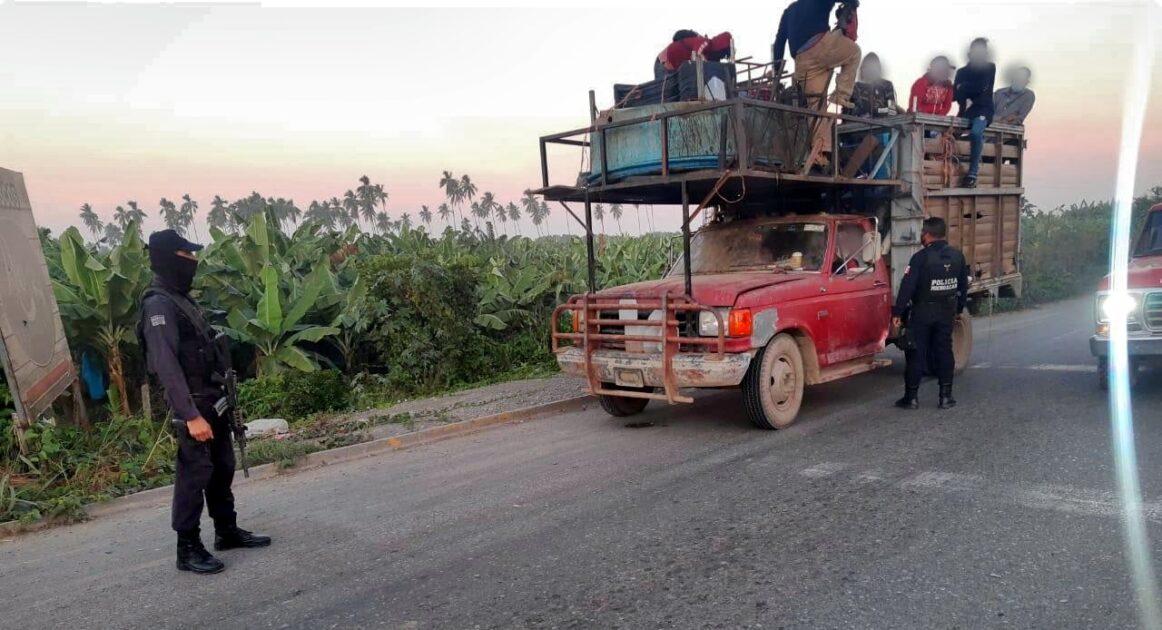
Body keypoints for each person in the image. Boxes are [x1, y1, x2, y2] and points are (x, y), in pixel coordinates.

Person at [138, 229, 270, 574]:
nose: (194, 261)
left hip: (214, 399)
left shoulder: (182, 299)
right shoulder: (158, 305)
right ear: (170, 258)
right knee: (194, 475)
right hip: (193, 404)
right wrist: (190, 414)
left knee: (222, 467)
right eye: (187, 256)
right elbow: (166, 365)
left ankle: (226, 530)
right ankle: (188, 547)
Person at [892, 217, 969, 410]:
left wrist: (897, 313)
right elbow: (963, 287)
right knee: (944, 351)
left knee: (916, 352)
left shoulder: (920, 258)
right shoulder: (958, 256)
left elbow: (907, 287)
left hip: (923, 311)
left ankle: (911, 398)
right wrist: (958, 310)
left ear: (926, 234)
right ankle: (946, 397)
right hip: (946, 311)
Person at [773, 0, 861, 161]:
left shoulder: (789, 11)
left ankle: (820, 155)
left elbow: (779, 42)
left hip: (802, 60)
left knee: (816, 108)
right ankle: (841, 95)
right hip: (821, 46)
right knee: (854, 52)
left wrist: (776, 74)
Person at [954, 38, 996, 188]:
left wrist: (964, 87)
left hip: (983, 109)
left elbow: (982, 87)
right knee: (948, 135)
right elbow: (955, 94)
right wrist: (966, 90)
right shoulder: (962, 71)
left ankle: (972, 173)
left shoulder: (989, 68)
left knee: (976, 133)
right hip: (964, 111)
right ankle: (951, 166)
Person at [655, 30, 734, 80]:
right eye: (723, 53)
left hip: (675, 68)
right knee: (666, 96)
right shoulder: (705, 42)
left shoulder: (710, 56)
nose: (722, 57)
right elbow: (697, 55)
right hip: (663, 62)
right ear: (719, 47)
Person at [845, 52, 898, 118]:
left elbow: (892, 111)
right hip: (858, 126)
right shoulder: (855, 87)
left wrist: (877, 110)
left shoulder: (886, 85)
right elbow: (847, 112)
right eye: (866, 67)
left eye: (872, 67)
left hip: (883, 125)